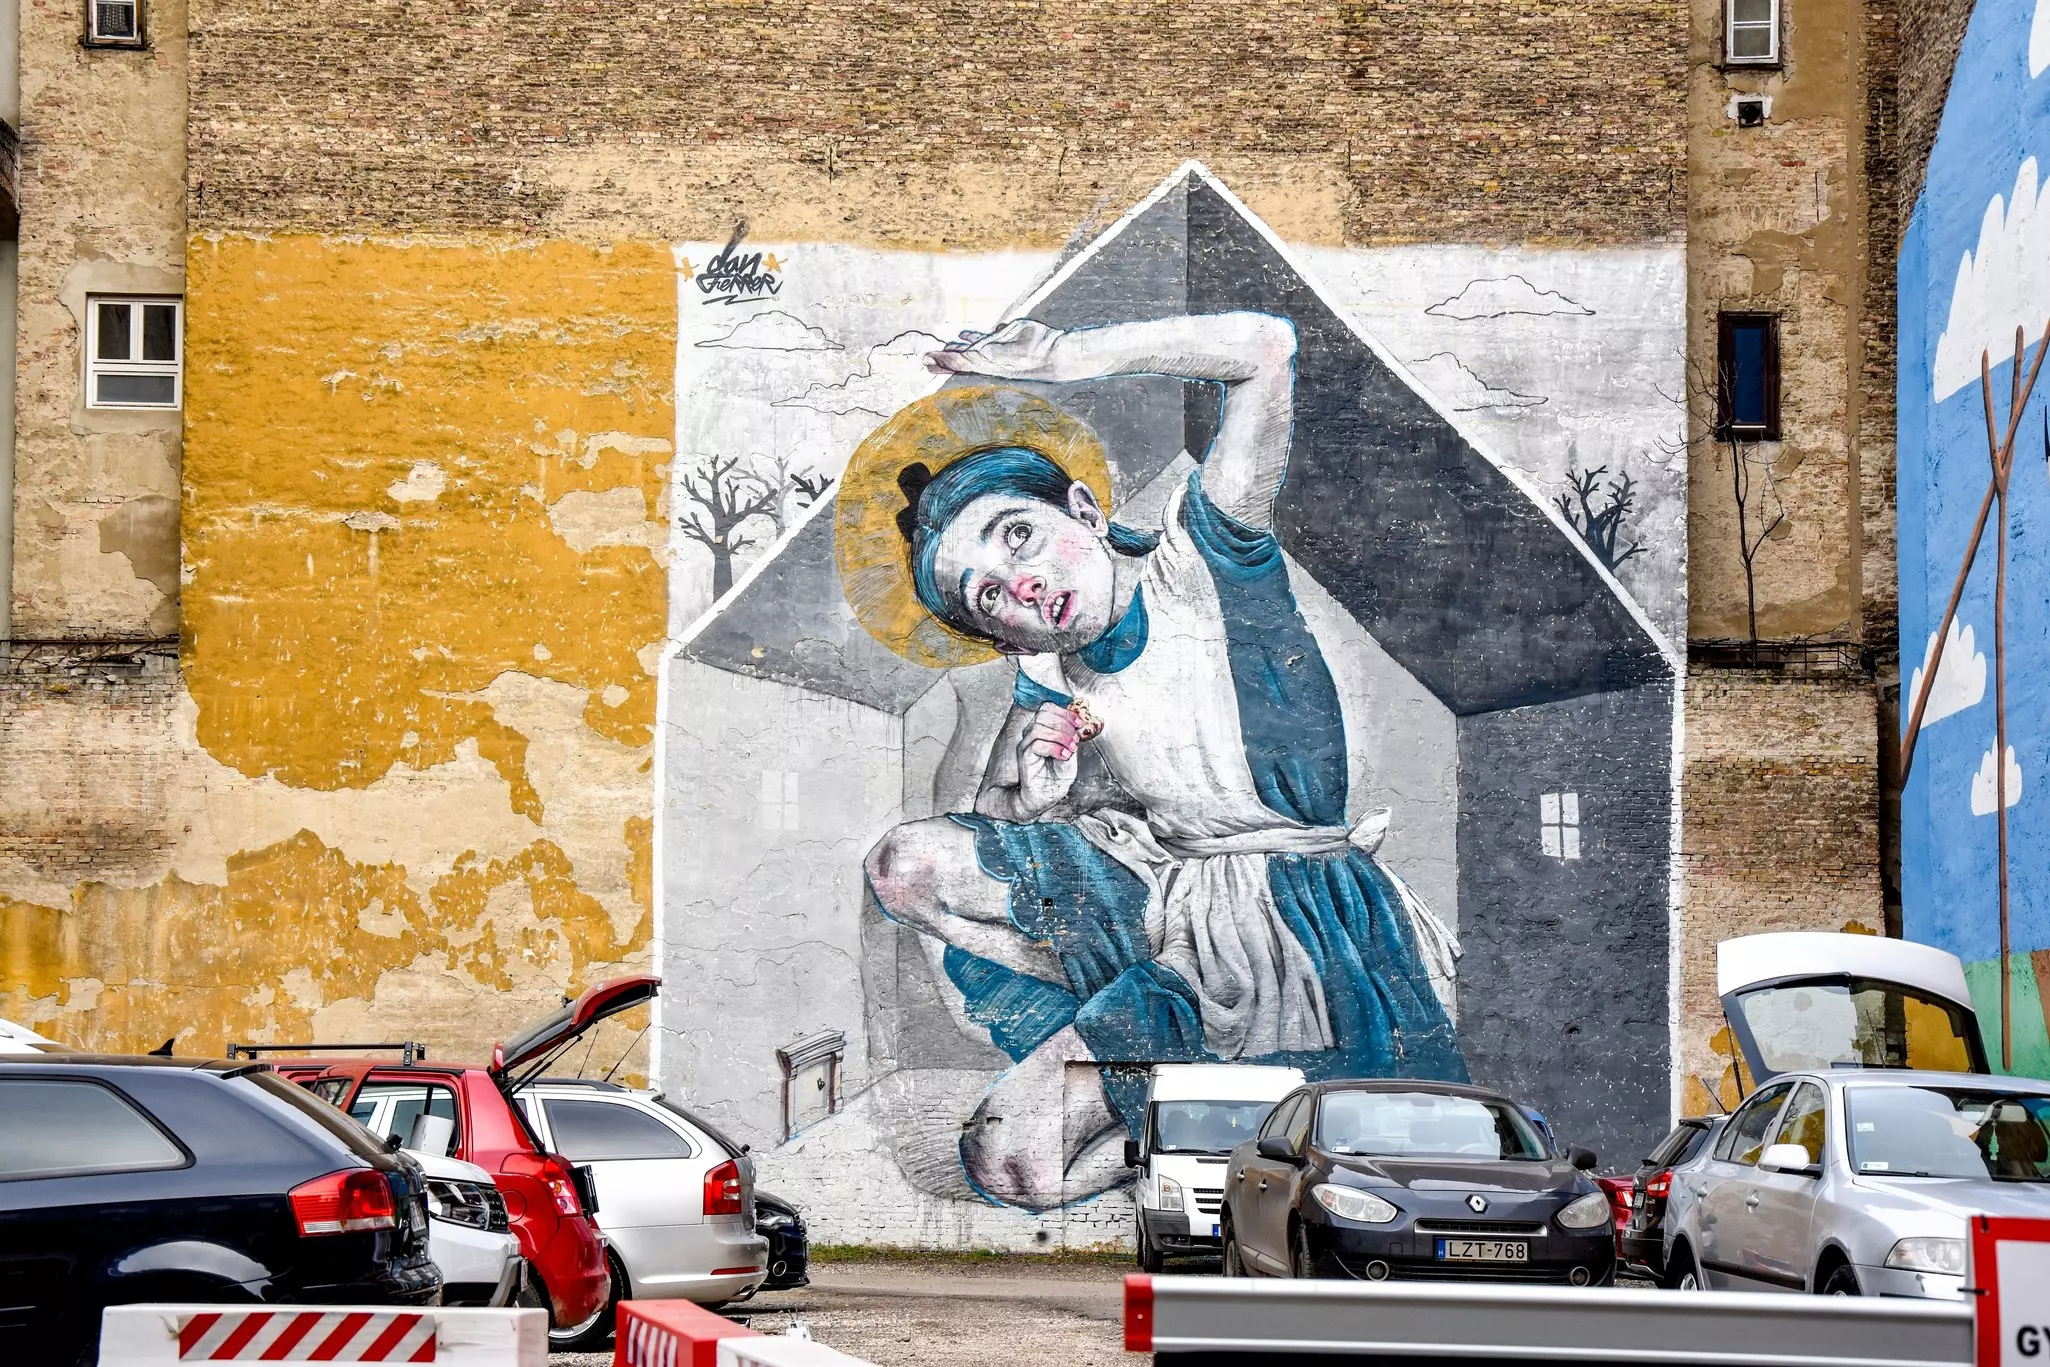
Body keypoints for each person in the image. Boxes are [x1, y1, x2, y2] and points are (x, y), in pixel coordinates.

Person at [844, 311, 1466, 1210]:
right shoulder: (1047, 672)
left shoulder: (1206, 557)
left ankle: (1220, 1105)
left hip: (1294, 912)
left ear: (1086, 513)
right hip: (1156, 897)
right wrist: (1037, 794)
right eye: (986, 596)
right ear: (994, 631)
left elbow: (1264, 352)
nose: (1016, 585)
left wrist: (1062, 358)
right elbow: (996, 831)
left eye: (1016, 535)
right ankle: (1167, 1079)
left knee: (1029, 1160)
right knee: (904, 874)